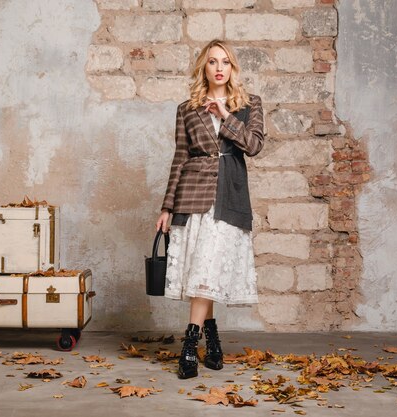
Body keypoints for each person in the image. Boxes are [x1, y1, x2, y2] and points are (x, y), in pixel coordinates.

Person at [155, 39, 264, 379]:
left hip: (229, 197)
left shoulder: (250, 104)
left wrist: (227, 116)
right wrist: (167, 207)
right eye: (213, 61)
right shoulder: (187, 108)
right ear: (204, 67)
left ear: (232, 68)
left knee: (208, 268)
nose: (219, 67)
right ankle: (212, 339)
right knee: (205, 270)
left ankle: (190, 345)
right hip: (192, 195)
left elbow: (255, 145)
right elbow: (179, 157)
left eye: (226, 62)